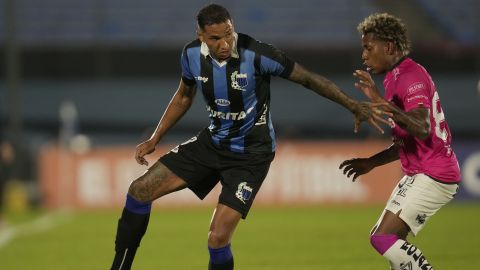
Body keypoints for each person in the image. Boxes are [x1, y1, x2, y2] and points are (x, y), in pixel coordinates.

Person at [109, 4, 388, 270]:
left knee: (217, 238)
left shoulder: (258, 55)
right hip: (213, 143)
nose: (225, 43)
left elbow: (309, 79)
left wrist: (353, 104)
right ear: (201, 36)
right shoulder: (191, 55)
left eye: (229, 34)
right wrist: (156, 136)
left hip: (251, 156)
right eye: (216, 38)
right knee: (139, 190)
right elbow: (184, 95)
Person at [339, 13, 461, 270]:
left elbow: (422, 128)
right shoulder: (394, 77)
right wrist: (371, 162)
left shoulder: (410, 76)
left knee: (383, 238)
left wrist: (378, 99)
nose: (364, 55)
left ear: (389, 47)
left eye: (368, 48)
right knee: (386, 240)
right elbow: (406, 140)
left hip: (434, 174)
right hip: (420, 172)